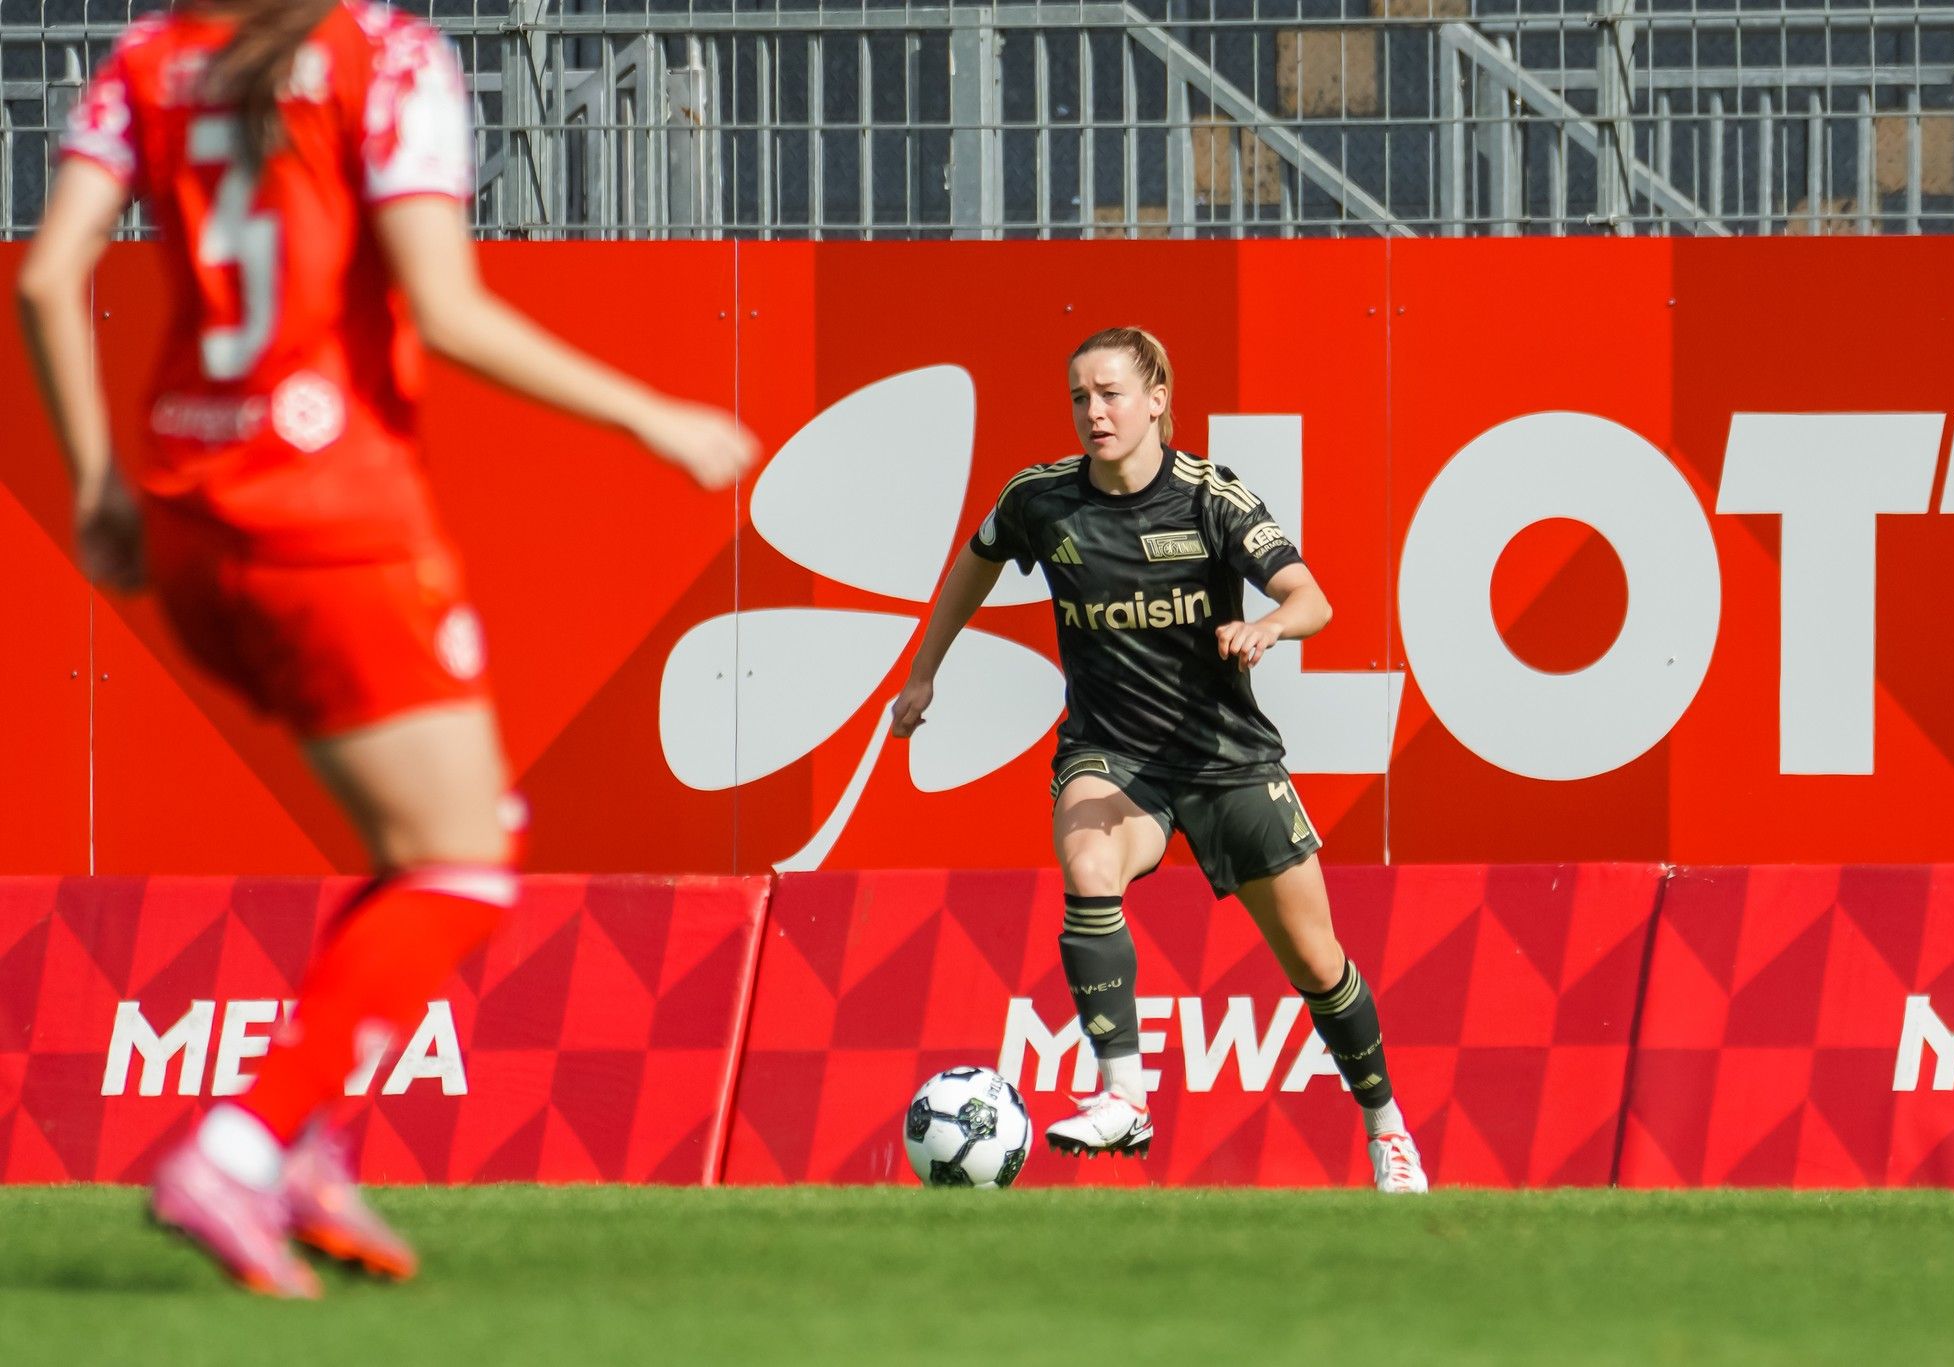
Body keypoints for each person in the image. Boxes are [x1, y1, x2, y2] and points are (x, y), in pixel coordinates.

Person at [16, 0, 757, 1297]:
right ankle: (241, 1146)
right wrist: (653, 417)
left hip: (189, 519)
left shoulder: (145, 55)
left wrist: (95, 485)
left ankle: (302, 1144)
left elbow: (39, 274)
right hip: (331, 519)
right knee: (470, 859)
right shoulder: (388, 54)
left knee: (424, 849)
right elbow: (447, 309)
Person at [889, 327, 1426, 1194]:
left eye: (1108, 394)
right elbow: (975, 564)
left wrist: (1268, 625)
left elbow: (1311, 597)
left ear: (1158, 398)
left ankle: (1387, 1127)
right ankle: (1123, 1093)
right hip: (1113, 752)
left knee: (1319, 963)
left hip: (1226, 759)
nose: (1092, 413)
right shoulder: (1041, 499)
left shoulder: (1211, 498)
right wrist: (924, 673)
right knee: (1088, 857)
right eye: (1078, 397)